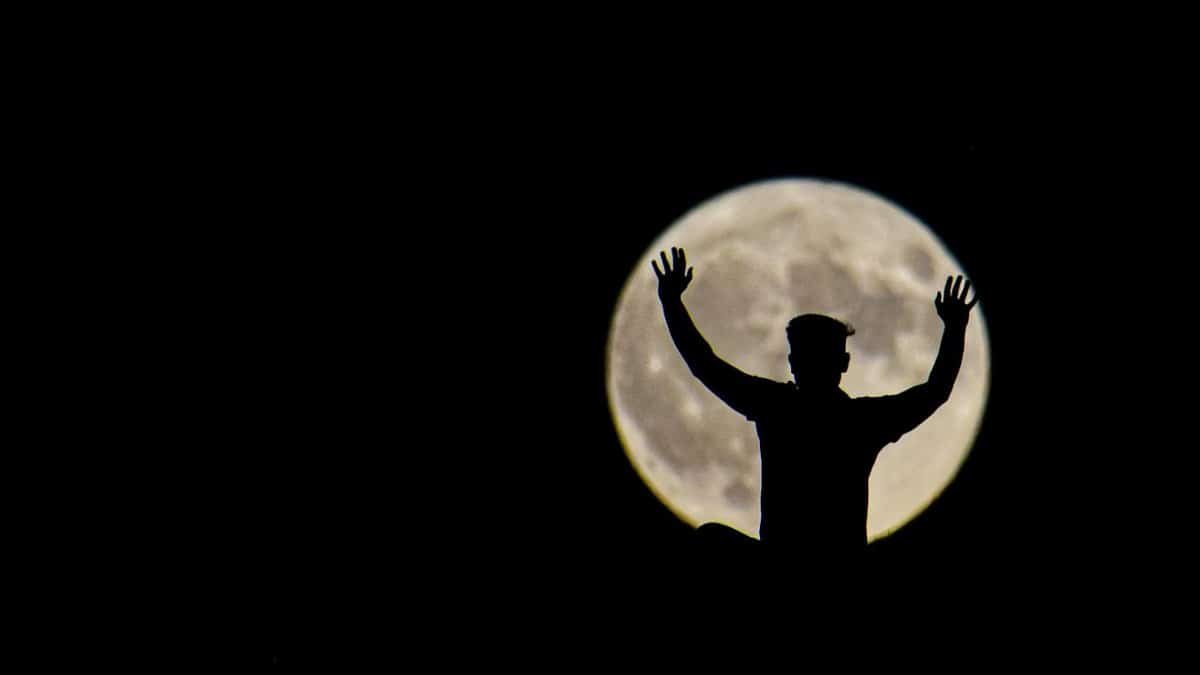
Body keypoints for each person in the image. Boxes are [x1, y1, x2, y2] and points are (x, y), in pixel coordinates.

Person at [652, 246, 977, 567]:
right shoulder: (859, 419)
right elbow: (936, 391)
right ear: (842, 363)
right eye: (808, 356)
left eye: (814, 356)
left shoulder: (778, 406)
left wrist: (671, 303)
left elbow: (704, 364)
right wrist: (954, 327)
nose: (808, 364)